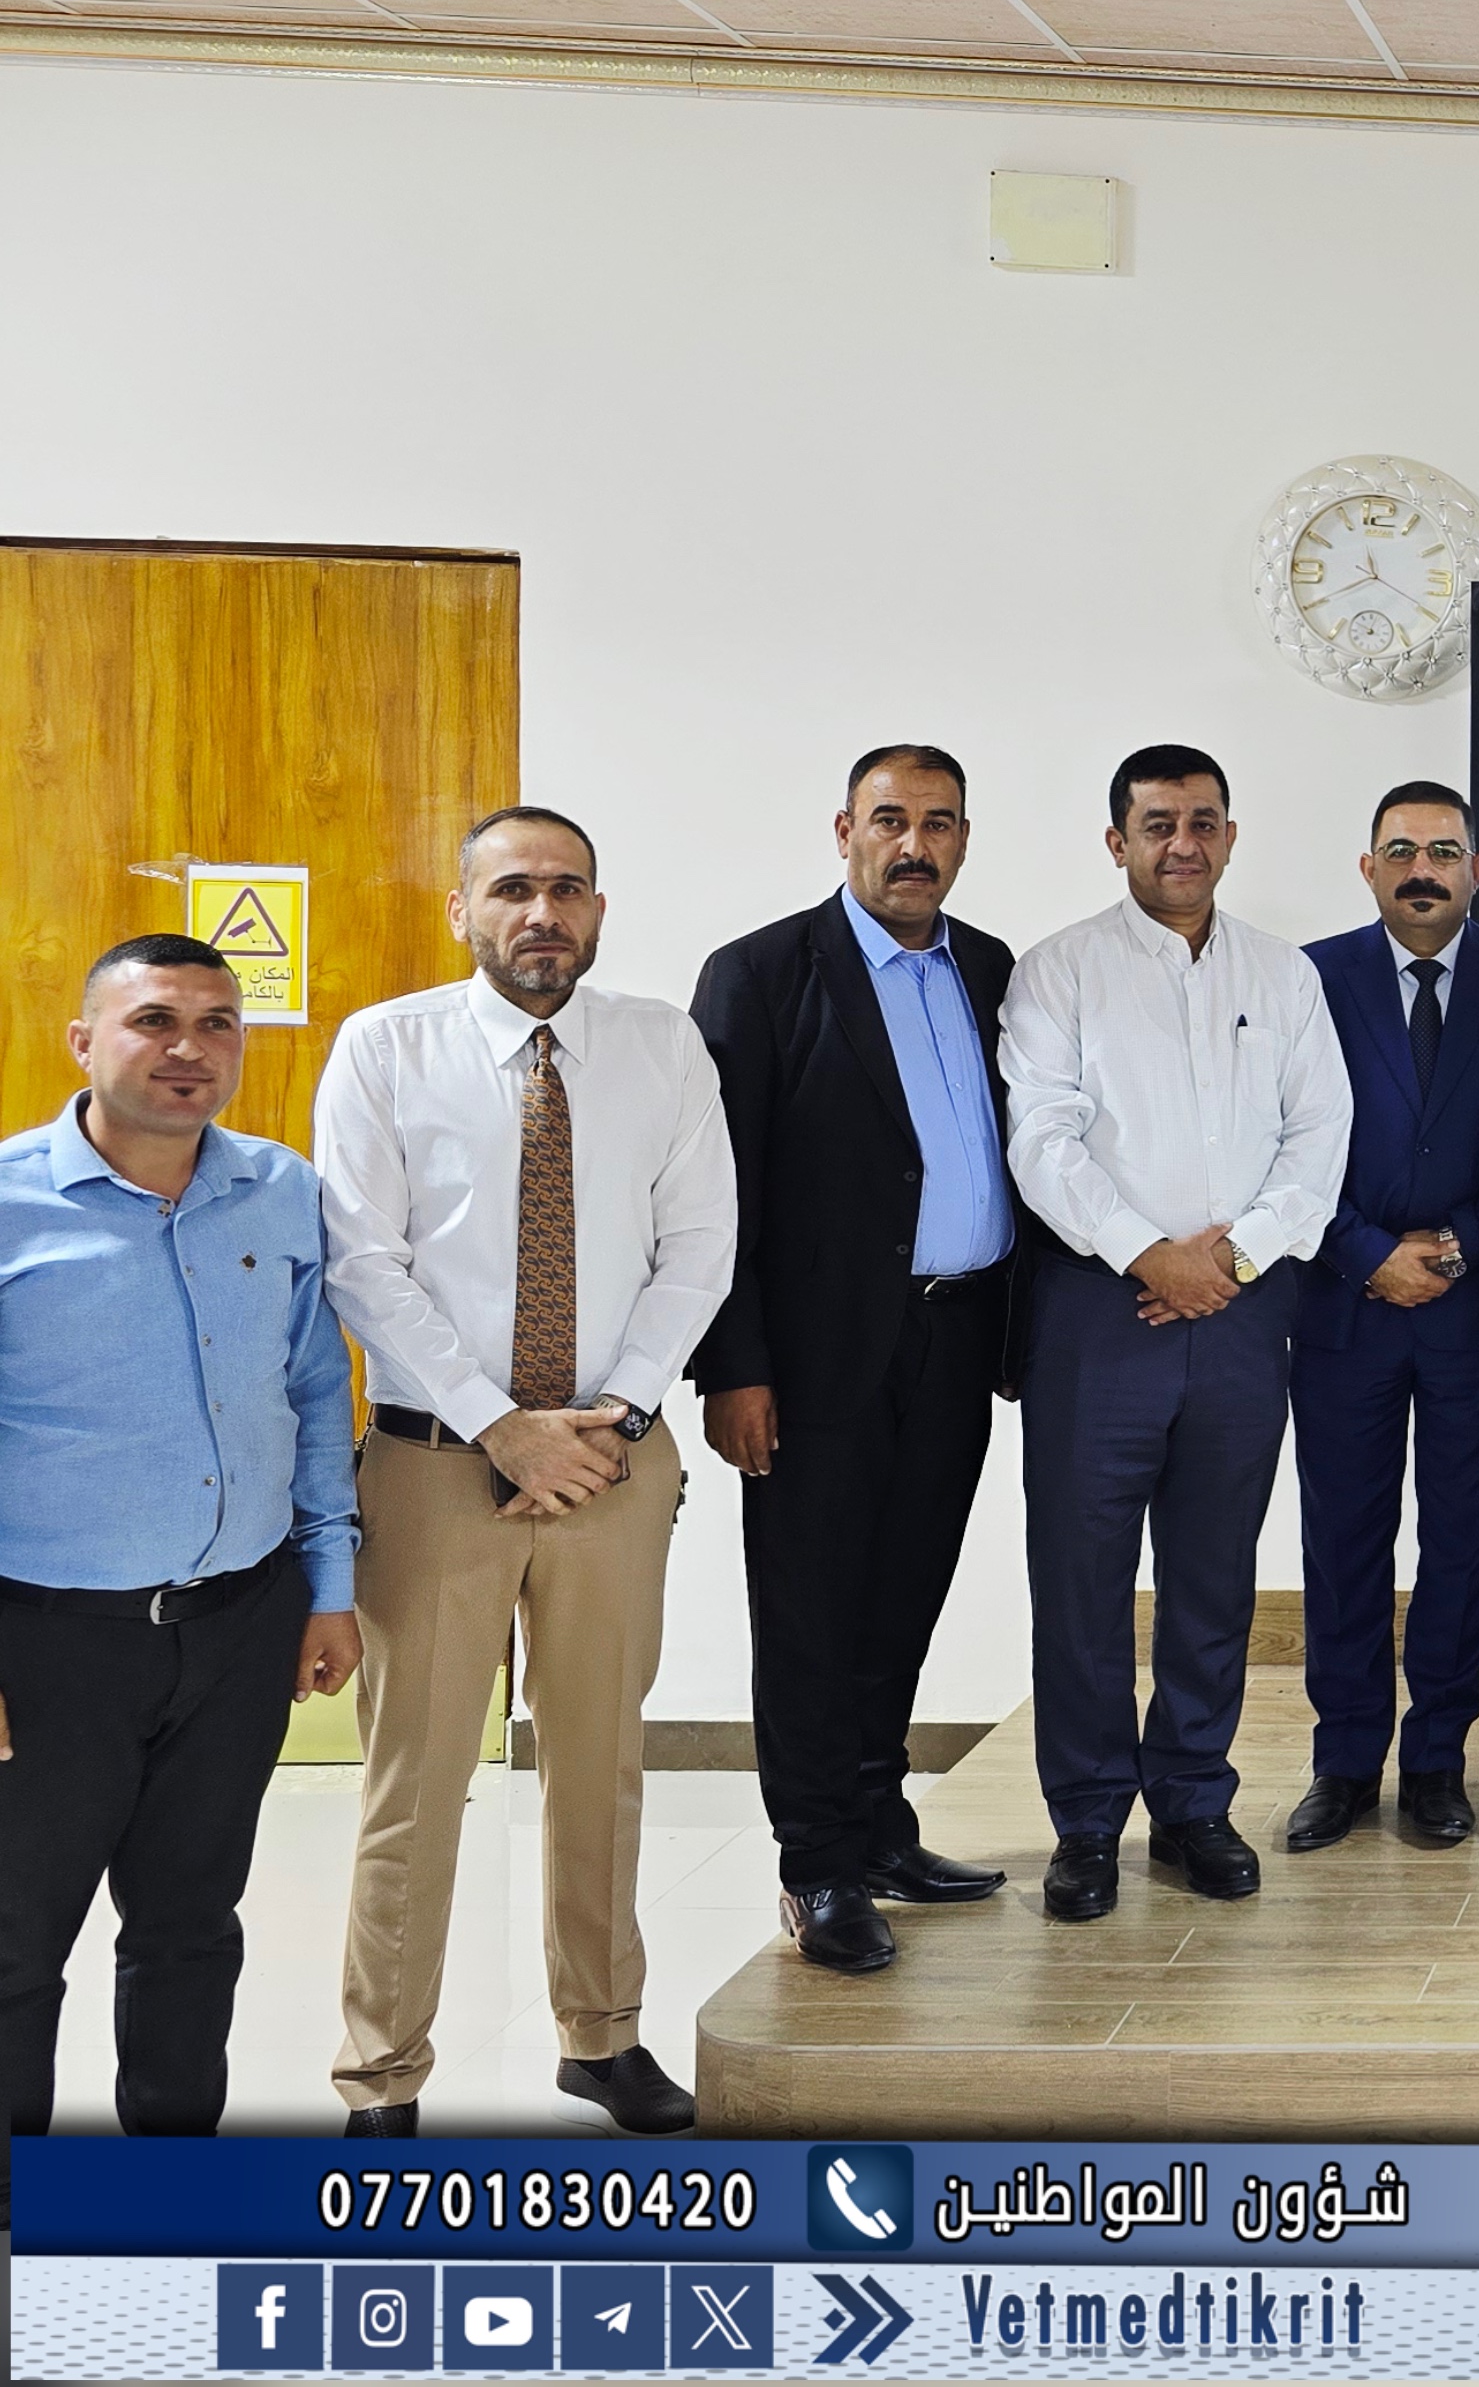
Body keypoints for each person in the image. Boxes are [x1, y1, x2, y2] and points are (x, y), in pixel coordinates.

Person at [315, 807, 734, 2135]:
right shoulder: (386, 1047)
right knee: (417, 1779)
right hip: (439, 1465)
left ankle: (601, 2038)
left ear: (597, 909)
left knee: (601, 1763)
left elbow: (700, 1243)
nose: (540, 912)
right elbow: (362, 1261)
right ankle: (383, 2074)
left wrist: (614, 1410)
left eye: (566, 888)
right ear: (462, 910)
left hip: (613, 1461)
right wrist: (502, 1423)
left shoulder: (661, 1045)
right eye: (511, 889)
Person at [0, 936, 360, 2157]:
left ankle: (170, 2175)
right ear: (83, 1042)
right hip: (47, 1641)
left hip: (237, 1625)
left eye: (217, 1023)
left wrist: (329, 1584)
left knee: (192, 1928)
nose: (189, 1048)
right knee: (14, 1940)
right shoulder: (9, 1202)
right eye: (154, 1019)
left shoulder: (279, 1188)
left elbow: (315, 1392)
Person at [690, 744, 1023, 1976]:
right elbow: (714, 1188)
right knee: (811, 1611)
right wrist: (734, 1363)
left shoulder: (988, 968)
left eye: (939, 822)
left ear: (964, 839)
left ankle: (881, 1825)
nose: (914, 844)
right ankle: (817, 1861)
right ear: (845, 830)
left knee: (903, 1596)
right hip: (813, 1357)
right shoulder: (762, 972)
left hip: (957, 1336)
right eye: (890, 818)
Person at [1000, 745, 1347, 1922]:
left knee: (1213, 1576)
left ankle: (1195, 1800)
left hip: (1242, 1313)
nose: (1182, 844)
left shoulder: (1282, 974)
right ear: (1118, 841)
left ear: (1230, 837)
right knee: (1082, 1580)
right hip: (1100, 1314)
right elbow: (1043, 1138)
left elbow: (1320, 1135)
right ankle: (1089, 1818)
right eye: (1157, 824)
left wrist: (1232, 1260)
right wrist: (1150, 1254)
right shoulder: (1060, 971)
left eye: (1203, 822)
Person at [1286, 781, 1479, 1853]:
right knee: (1344, 1540)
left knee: (1465, 1539)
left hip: (1476, 1310)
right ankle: (1343, 1761)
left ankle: (1437, 1757)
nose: (1421, 869)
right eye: (1399, 850)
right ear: (1368, 866)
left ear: (1476, 869)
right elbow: (1277, 1136)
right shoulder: (1309, 977)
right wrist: (1365, 1252)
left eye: (1442, 850)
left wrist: (1459, 1242)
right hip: (1345, 1305)